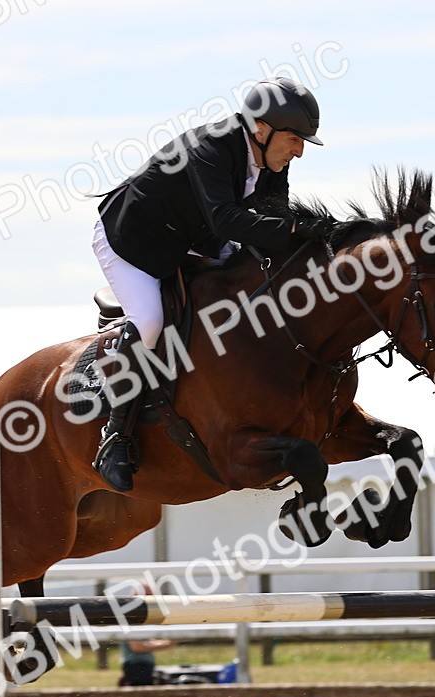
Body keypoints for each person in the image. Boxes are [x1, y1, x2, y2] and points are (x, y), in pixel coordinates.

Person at [90, 77, 331, 492]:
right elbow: (227, 219)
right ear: (261, 129)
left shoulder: (273, 161)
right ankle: (115, 436)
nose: (299, 150)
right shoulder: (212, 147)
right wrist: (296, 229)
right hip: (133, 241)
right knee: (150, 321)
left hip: (193, 240)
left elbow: (272, 217)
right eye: (294, 139)